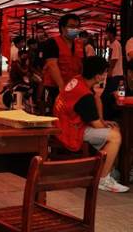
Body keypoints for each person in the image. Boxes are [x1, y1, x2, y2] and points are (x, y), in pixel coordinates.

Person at [53, 55, 128, 193]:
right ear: (98, 76)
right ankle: (103, 179)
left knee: (114, 129)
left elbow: (96, 103)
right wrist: (105, 125)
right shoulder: (84, 96)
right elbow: (97, 125)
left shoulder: (78, 80)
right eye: (104, 72)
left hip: (64, 123)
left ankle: (107, 170)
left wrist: (103, 121)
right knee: (115, 136)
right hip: (70, 130)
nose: (106, 75)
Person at [41, 13, 83, 113]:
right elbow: (52, 65)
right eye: (71, 26)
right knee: (53, 113)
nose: (75, 29)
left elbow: (81, 65)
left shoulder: (80, 44)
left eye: (77, 27)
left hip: (72, 86)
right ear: (63, 28)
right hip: (54, 87)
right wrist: (62, 86)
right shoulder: (52, 42)